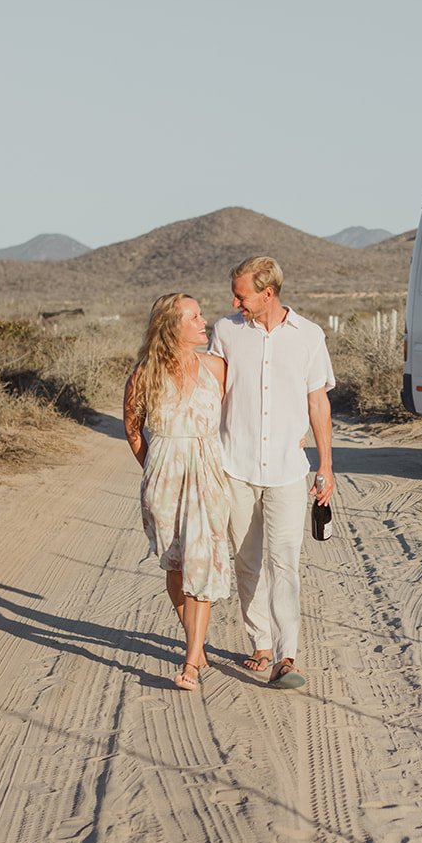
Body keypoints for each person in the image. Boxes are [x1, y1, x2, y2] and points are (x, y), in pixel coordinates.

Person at [208, 256, 335, 691]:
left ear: (267, 293)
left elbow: (318, 403)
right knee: (246, 560)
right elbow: (211, 392)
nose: (234, 301)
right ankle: (261, 643)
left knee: (285, 562)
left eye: (241, 294)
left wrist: (326, 464)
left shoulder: (309, 336)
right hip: (235, 467)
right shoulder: (225, 332)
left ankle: (286, 656)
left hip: (286, 470)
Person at [123, 293, 232, 690]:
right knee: (176, 566)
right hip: (164, 481)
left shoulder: (216, 368)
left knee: (202, 563)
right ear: (172, 327)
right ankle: (196, 641)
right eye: (195, 317)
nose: (204, 322)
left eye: (201, 315)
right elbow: (133, 429)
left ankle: (191, 663)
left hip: (207, 475)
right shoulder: (145, 374)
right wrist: (153, 469)